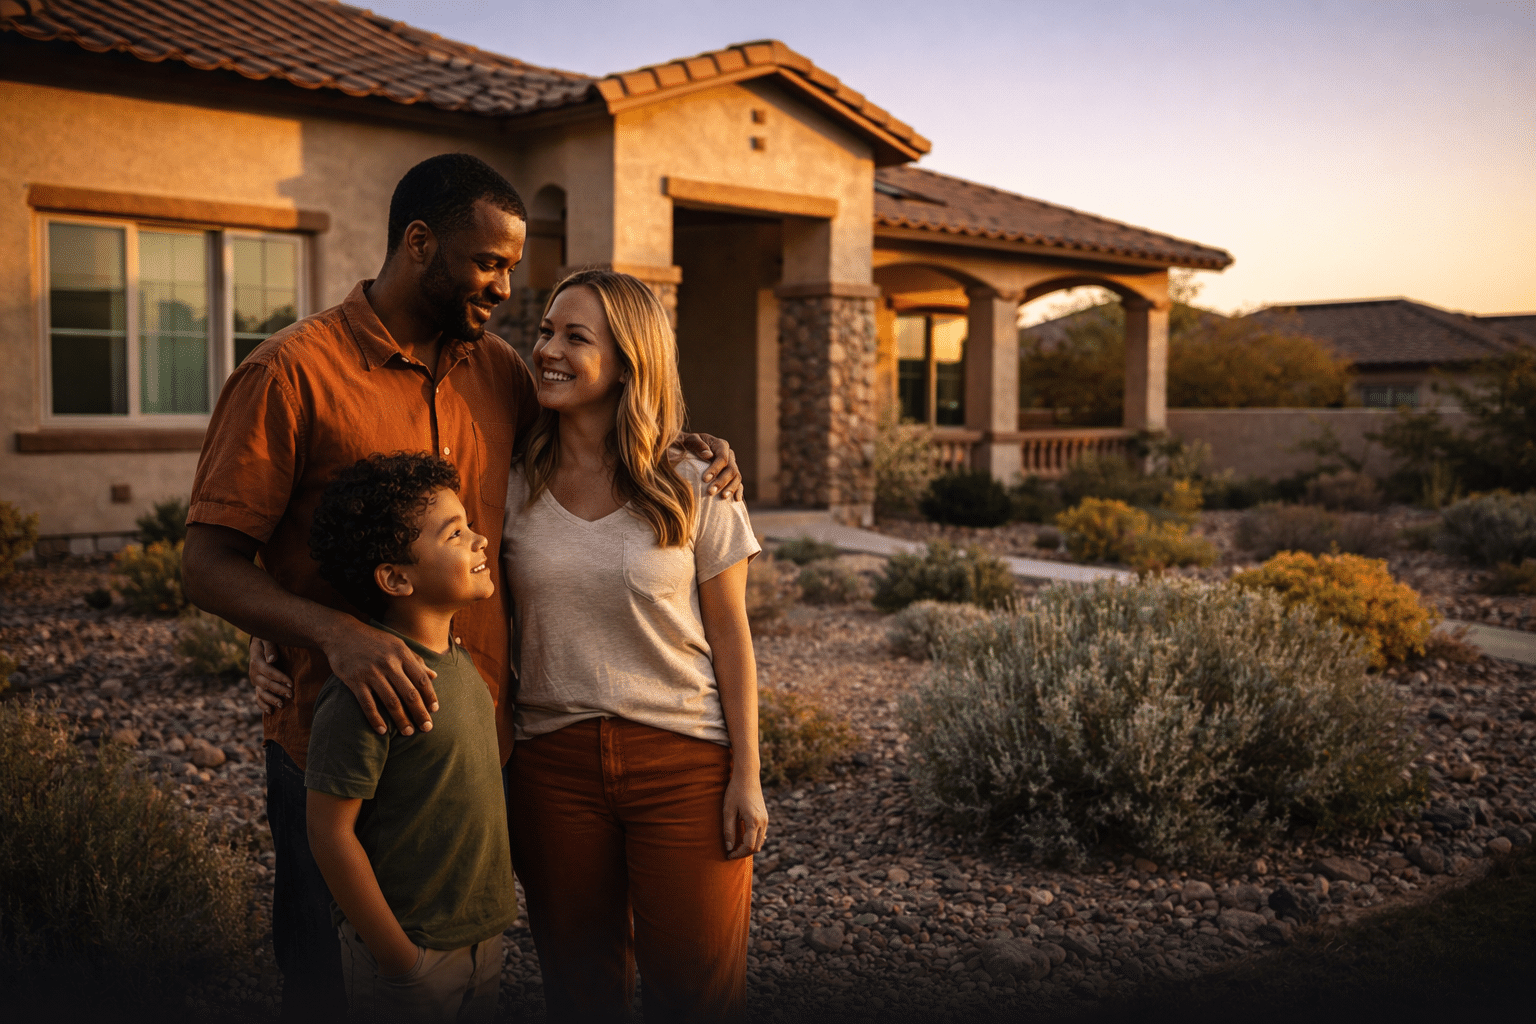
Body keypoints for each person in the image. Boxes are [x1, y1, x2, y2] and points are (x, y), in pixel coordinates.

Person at [182, 153, 741, 1018]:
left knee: (461, 971)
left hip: (480, 751)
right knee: (336, 984)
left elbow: (600, 430)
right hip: (344, 746)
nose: (505, 288)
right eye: (488, 263)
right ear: (418, 244)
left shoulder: (501, 372)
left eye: (512, 267)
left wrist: (688, 448)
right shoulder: (290, 373)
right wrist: (324, 632)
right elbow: (206, 563)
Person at [501, 269, 769, 1023]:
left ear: (627, 363)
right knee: (580, 993)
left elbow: (731, 636)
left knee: (697, 994)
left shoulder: (696, 480)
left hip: (684, 763)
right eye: (546, 331)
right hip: (553, 767)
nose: (548, 350)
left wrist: (747, 775)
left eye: (575, 337)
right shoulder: (510, 483)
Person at [304, 453, 512, 1023]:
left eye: (470, 525)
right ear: (396, 578)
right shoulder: (367, 690)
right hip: (409, 956)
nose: (480, 540)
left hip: (482, 941)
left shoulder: (462, 663)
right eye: (455, 533)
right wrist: (400, 961)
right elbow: (328, 832)